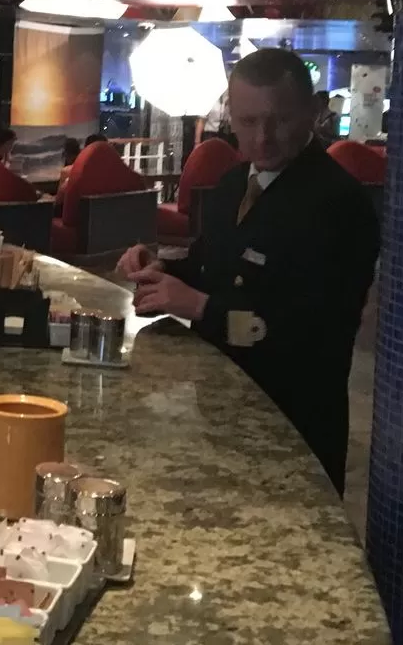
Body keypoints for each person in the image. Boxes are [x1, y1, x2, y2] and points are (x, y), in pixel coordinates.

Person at [115, 47, 379, 496]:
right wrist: (161, 267)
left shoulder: (338, 203)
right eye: (248, 121)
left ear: (313, 112)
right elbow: (212, 263)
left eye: (280, 120)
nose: (263, 138)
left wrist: (201, 306)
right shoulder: (232, 184)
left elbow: (315, 331)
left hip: (295, 426)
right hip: (220, 406)